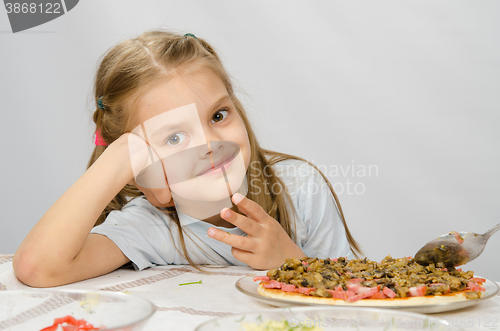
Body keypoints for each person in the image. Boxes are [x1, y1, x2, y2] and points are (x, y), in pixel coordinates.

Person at [13, 30, 361, 288]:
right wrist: (122, 156)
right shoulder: (152, 227)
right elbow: (37, 267)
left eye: (219, 116)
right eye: (174, 137)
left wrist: (290, 261)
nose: (210, 143)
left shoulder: (299, 188)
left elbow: (354, 295)